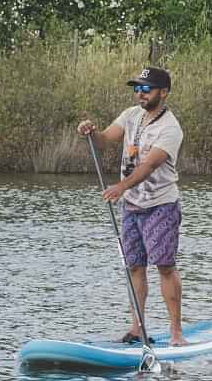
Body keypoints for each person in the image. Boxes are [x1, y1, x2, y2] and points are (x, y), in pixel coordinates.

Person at [77, 66, 188, 347]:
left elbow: (150, 165)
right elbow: (104, 140)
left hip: (160, 204)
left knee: (164, 266)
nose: (140, 94)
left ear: (163, 92)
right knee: (135, 267)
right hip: (132, 206)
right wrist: (91, 133)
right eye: (137, 89)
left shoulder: (170, 129)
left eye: (146, 89)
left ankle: (176, 333)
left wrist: (121, 187)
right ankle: (137, 328)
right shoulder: (130, 115)